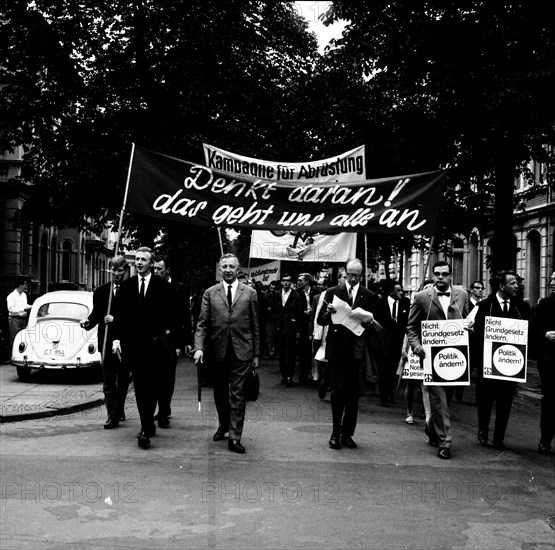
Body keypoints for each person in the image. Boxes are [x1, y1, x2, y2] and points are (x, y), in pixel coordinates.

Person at [317, 258, 390, 450]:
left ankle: (347, 433)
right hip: (337, 350)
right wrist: (330, 313)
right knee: (337, 392)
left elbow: (376, 325)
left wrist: (368, 322)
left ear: (362, 275)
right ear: (345, 272)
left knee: (353, 394)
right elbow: (320, 320)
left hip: (358, 352)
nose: (353, 279)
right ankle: (335, 433)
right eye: (350, 275)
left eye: (358, 275)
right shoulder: (333, 292)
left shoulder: (369, 295)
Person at [112, 247, 179, 450]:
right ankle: (145, 427)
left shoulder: (163, 287)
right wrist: (116, 339)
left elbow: (172, 315)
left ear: (151, 263)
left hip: (156, 346)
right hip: (135, 347)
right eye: (138, 259)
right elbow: (120, 316)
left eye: (144, 260)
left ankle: (148, 423)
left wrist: (170, 337)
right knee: (141, 387)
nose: (139, 262)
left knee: (153, 388)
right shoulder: (127, 286)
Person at [194, 253, 260, 454]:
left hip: (243, 351)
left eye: (232, 266)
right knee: (220, 393)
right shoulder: (210, 293)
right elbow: (202, 324)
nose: (228, 270)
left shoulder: (249, 293)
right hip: (218, 351)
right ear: (219, 270)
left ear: (238, 269)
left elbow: (256, 325)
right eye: (225, 267)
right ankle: (223, 424)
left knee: (238, 394)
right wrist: (199, 348)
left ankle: (234, 436)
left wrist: (256, 354)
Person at [407, 261, 469, 460]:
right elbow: (412, 328)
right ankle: (445, 443)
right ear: (433, 276)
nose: (440, 277)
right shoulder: (421, 297)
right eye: (437, 274)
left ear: (451, 276)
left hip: (455, 359)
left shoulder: (462, 295)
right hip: (431, 358)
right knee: (439, 401)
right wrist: (416, 346)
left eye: (444, 274)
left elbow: (467, 320)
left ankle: (431, 428)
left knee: (444, 401)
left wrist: (469, 327)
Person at [472, 270, 531, 451]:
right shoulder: (484, 306)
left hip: (510, 364)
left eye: (517, 283)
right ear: (501, 286)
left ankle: (499, 438)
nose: (517, 286)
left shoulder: (522, 308)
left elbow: (528, 335)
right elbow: (474, 334)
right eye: (512, 283)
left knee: (505, 403)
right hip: (488, 365)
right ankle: (483, 429)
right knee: (485, 401)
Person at [81, 256, 130, 429]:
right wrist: (88, 322)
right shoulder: (101, 292)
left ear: (125, 271)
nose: (116, 274)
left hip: (125, 342)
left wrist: (115, 319)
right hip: (106, 341)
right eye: (114, 270)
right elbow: (96, 314)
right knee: (108, 379)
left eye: (120, 270)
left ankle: (120, 408)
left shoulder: (131, 290)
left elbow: (133, 317)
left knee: (123, 379)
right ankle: (112, 415)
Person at [153, 255, 193, 428]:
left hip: (171, 340)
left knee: (167, 377)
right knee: (154, 377)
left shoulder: (179, 289)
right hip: (153, 339)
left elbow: (185, 316)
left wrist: (185, 342)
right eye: (154, 269)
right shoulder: (150, 287)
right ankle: (157, 409)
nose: (155, 272)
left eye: (159, 269)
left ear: (167, 270)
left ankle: (164, 411)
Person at [532, 270, 555, 454]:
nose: (552, 283)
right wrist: (545, 334)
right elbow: (533, 327)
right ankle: (545, 439)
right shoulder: (545, 304)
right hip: (550, 359)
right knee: (550, 399)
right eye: (552, 279)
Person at [380, 281, 410, 407]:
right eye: (398, 290)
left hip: (398, 341)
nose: (401, 293)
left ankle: (390, 391)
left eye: (401, 290)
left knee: (393, 367)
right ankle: (383, 394)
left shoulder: (404, 303)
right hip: (384, 341)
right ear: (391, 291)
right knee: (384, 368)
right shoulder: (381, 303)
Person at [272, 274, 302, 387]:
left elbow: (298, 313)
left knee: (291, 353)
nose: (285, 283)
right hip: (280, 327)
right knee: (281, 353)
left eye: (288, 281)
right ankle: (284, 375)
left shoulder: (296, 295)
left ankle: (289, 375)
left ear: (291, 283)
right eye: (284, 281)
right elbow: (274, 310)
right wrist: (276, 324)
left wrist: (298, 329)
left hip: (291, 327)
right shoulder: (277, 294)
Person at [296, 273, 317, 384]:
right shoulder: (297, 293)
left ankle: (313, 372)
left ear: (307, 281)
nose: (298, 282)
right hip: (303, 325)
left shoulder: (315, 292)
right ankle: (303, 374)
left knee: (312, 350)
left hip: (313, 323)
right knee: (302, 350)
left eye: (301, 280)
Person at [6, 278, 32, 351]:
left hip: (23, 319)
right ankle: (13, 356)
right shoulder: (11, 296)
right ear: (20, 285)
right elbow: (11, 309)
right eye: (25, 284)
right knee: (14, 338)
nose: (26, 286)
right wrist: (22, 309)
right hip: (14, 320)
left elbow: (25, 305)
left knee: (22, 337)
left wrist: (32, 306)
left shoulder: (24, 295)